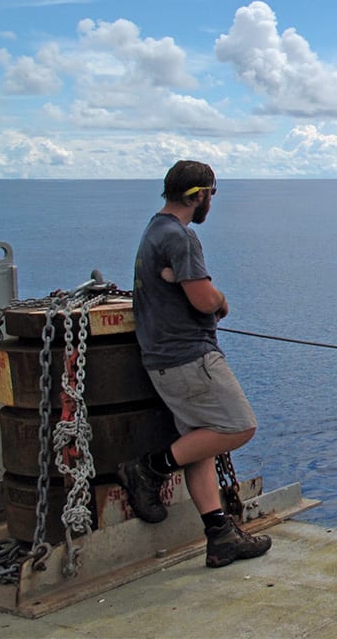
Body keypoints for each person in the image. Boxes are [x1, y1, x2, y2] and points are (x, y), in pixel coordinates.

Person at [118, 160, 271, 569]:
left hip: (162, 357)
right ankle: (149, 468)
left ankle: (220, 536)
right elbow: (203, 299)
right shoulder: (181, 238)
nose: (211, 202)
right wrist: (220, 300)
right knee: (239, 426)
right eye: (212, 194)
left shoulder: (154, 230)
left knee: (199, 446)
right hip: (188, 357)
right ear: (198, 194)